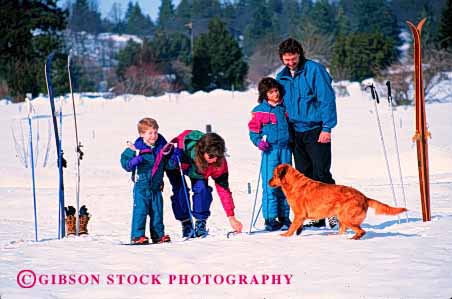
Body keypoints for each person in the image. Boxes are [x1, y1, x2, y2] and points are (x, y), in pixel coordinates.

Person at [276, 37, 338, 228]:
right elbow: (279, 105)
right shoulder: (281, 77)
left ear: (300, 54)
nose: (290, 62)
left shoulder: (314, 70)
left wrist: (327, 127)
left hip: (316, 129)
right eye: (286, 59)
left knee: (321, 173)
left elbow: (326, 99)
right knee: (304, 176)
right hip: (296, 131)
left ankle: (334, 212)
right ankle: (316, 216)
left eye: (293, 58)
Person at [166, 130, 243, 237]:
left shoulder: (218, 162)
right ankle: (186, 222)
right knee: (180, 192)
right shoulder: (184, 150)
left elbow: (223, 189)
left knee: (202, 189)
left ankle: (200, 222)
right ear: (202, 151)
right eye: (211, 156)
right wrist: (172, 161)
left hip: (200, 172)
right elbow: (165, 164)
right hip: (179, 166)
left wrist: (231, 216)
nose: (215, 158)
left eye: (218, 155)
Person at [247, 77, 292, 231]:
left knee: (286, 184)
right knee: (271, 184)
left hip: (285, 150)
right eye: (271, 92)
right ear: (265, 94)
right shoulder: (260, 111)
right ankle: (270, 218)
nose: (276, 94)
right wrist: (259, 142)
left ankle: (284, 216)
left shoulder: (284, 108)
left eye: (277, 90)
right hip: (270, 151)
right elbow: (253, 132)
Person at [120, 117, 173, 245]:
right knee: (141, 211)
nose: (153, 136)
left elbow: (168, 163)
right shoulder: (135, 148)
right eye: (150, 133)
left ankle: (158, 235)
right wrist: (134, 161)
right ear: (142, 134)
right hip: (141, 186)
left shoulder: (162, 147)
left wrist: (174, 159)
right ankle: (137, 236)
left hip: (156, 187)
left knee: (157, 211)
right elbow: (125, 164)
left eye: (155, 132)